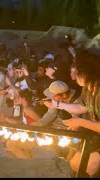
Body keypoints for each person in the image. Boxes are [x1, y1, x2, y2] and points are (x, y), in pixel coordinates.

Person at [44, 49, 100, 177]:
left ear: (87, 73)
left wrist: (79, 122)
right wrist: (57, 104)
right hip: (95, 136)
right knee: (75, 164)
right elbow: (82, 107)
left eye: (76, 71)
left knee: (89, 166)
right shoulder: (88, 90)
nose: (74, 75)